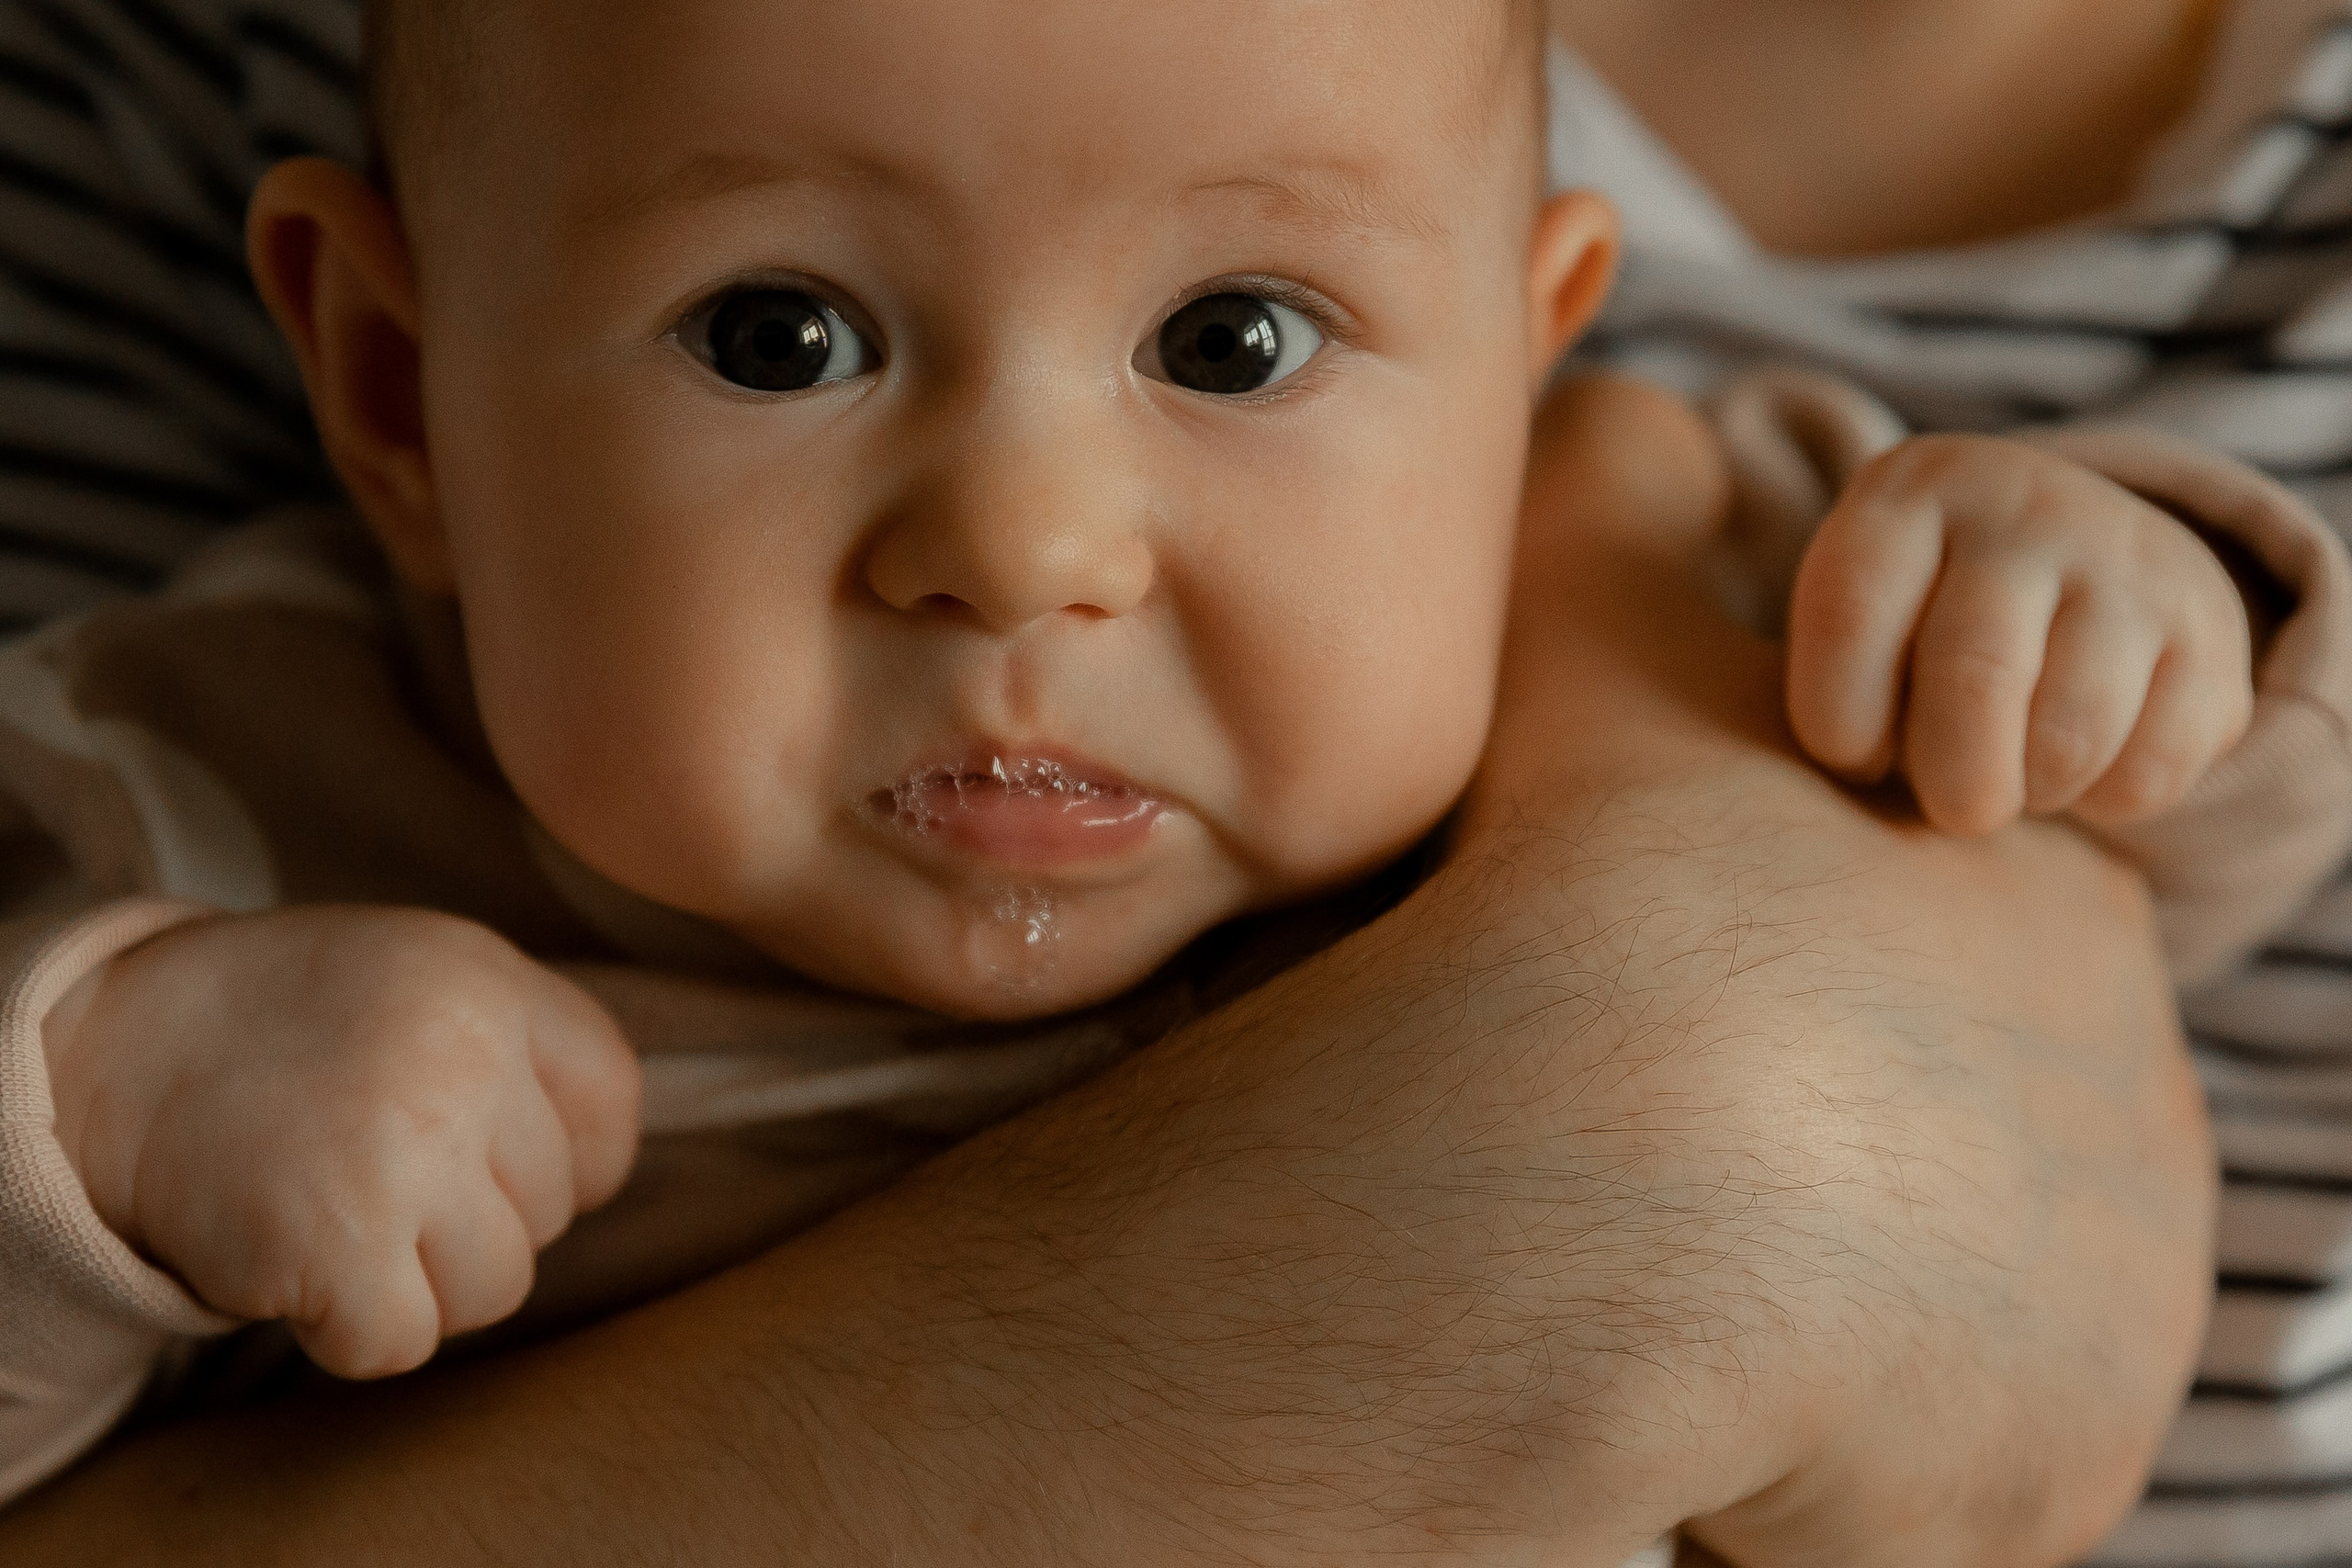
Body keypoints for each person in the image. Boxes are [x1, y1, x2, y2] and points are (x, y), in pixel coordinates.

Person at [0, 0, 2299, 1562]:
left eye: (1235, 341)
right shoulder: (206, 802)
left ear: (1522, 360)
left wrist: (2081, 608)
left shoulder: (1629, 587)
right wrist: (99, 1119)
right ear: (399, 391)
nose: (1026, 544)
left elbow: (2065, 964)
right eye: (779, 333)